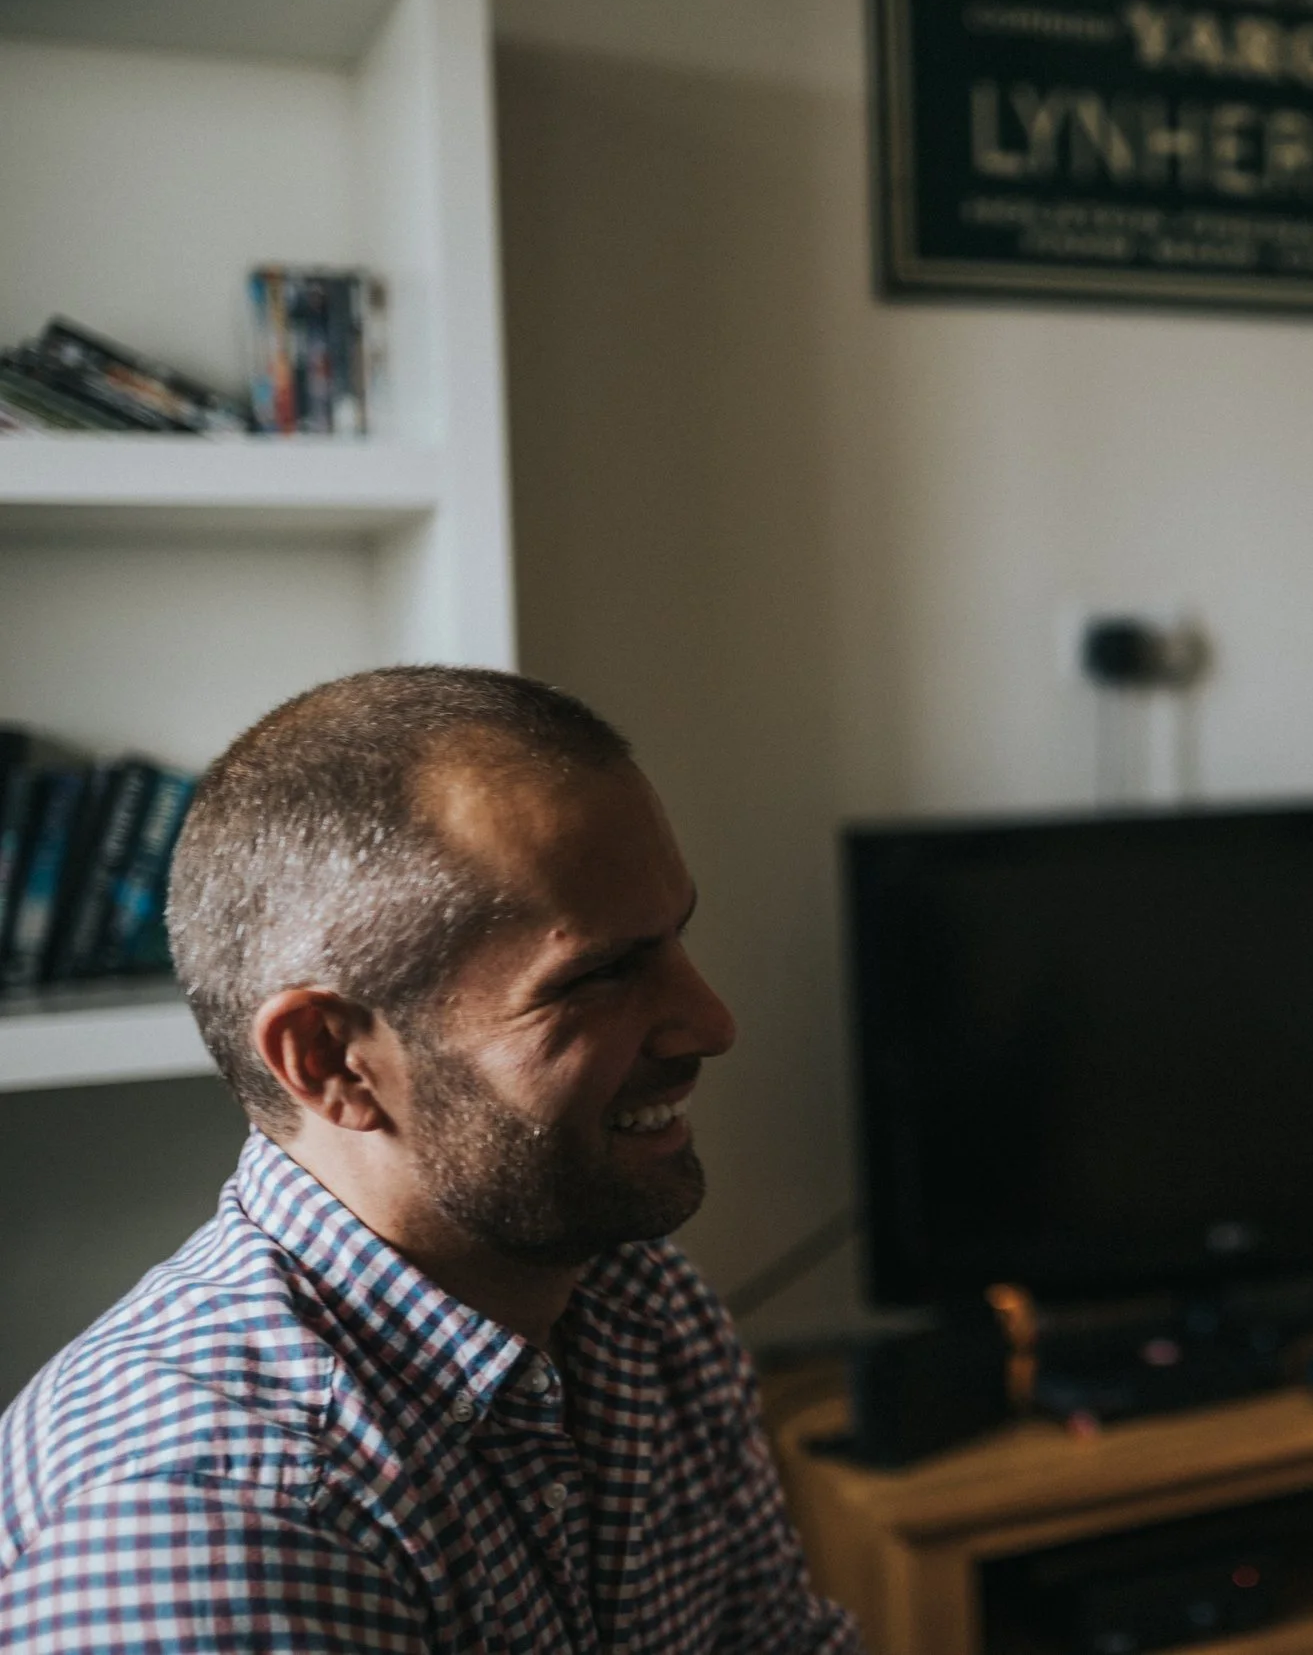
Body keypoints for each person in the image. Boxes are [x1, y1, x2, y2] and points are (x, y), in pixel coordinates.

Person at [0, 667, 860, 1652]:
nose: (711, 1020)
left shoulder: (646, 1307)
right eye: (600, 974)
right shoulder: (218, 1518)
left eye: (676, 938)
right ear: (333, 1061)